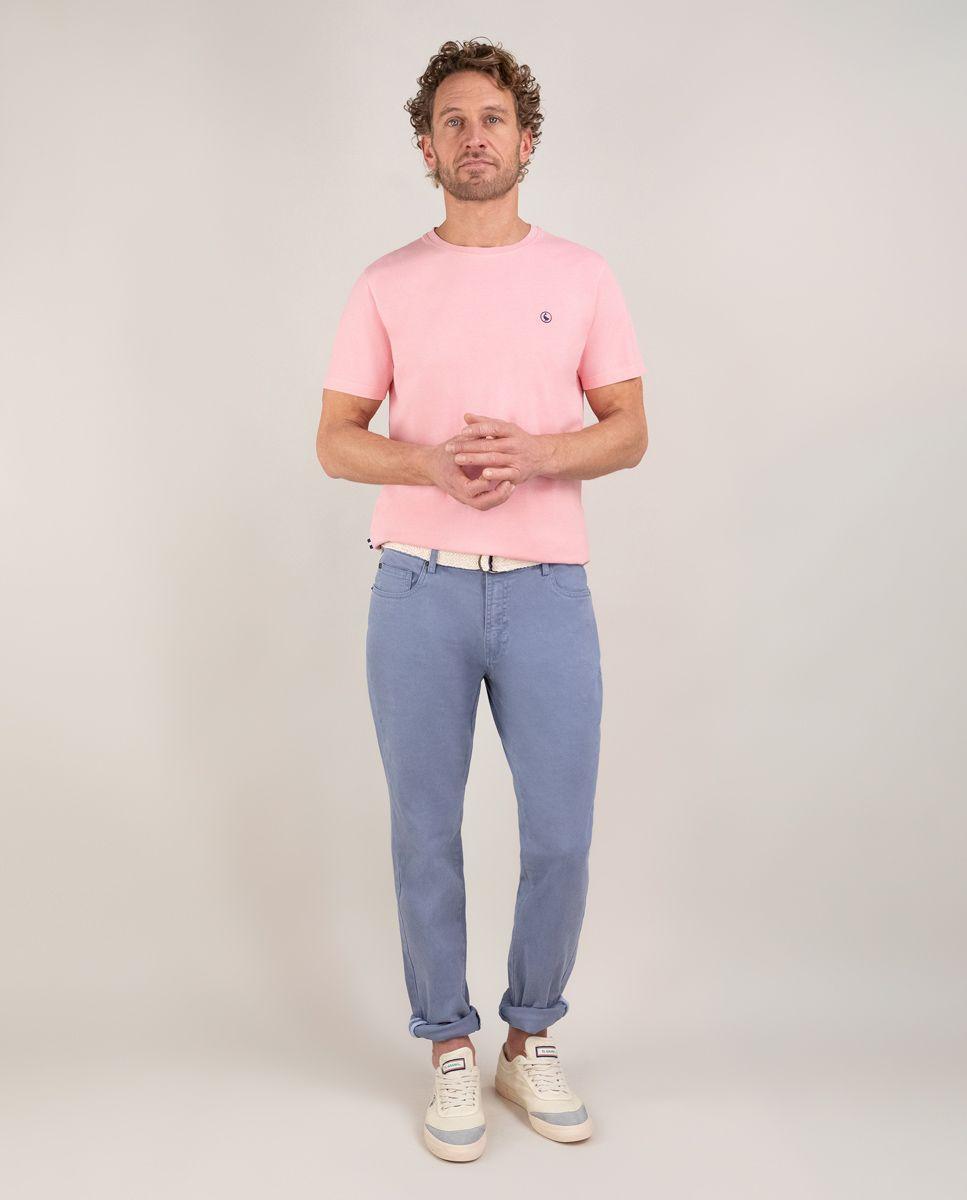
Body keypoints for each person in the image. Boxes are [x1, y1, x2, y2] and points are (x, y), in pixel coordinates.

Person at [316, 37, 648, 1162]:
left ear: (525, 138)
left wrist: (539, 453)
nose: (474, 137)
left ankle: (528, 1036)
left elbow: (629, 429)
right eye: (452, 121)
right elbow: (334, 440)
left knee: (560, 836)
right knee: (426, 833)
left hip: (547, 589)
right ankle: (449, 1048)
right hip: (418, 588)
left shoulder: (582, 275)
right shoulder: (386, 283)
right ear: (426, 148)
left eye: (492, 118)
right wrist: (425, 464)